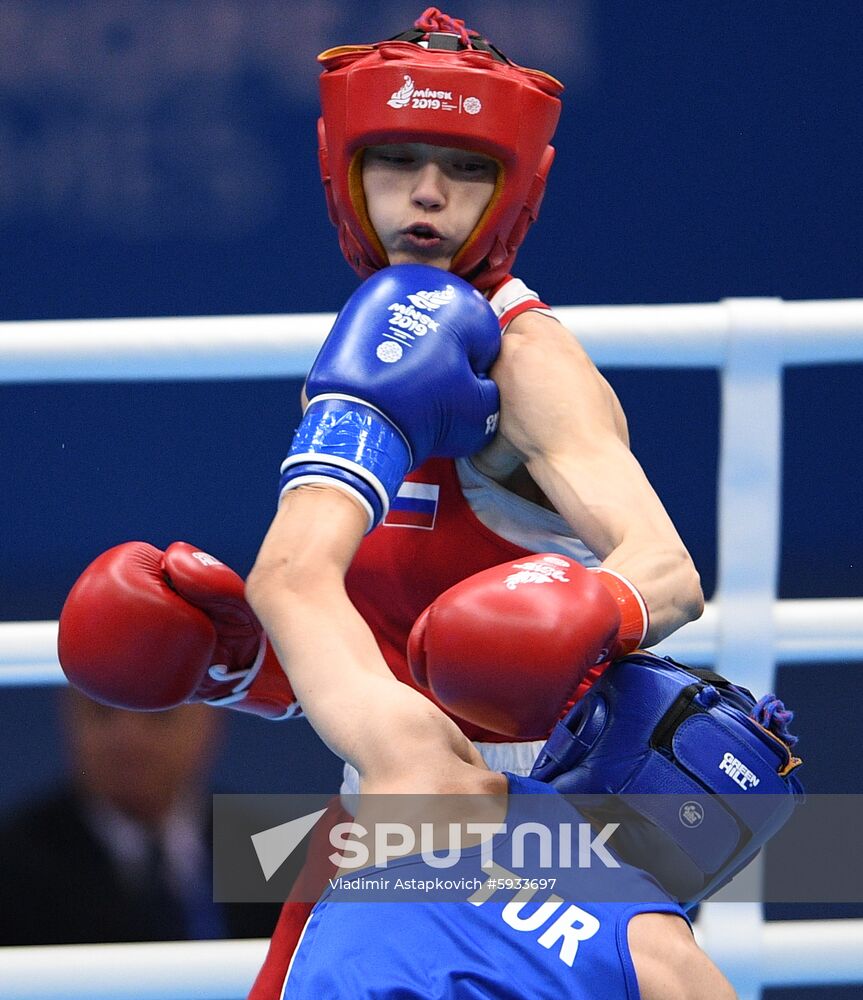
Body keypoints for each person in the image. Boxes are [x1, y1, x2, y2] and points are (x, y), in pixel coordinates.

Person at [57, 5, 705, 991]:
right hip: (378, 819)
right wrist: (236, 668)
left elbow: (664, 567)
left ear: (515, 190)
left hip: (530, 838)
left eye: (466, 169)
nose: (428, 197)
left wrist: (583, 613)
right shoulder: (369, 356)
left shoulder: (528, 363)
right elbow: (351, 632)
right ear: (345, 174)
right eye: (396, 161)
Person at [244, 474, 802, 997]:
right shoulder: (668, 963)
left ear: (589, 738)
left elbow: (291, 581)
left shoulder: (428, 781)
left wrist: (348, 437)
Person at [0, 691, 281, 945]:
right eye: (103, 709)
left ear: (211, 716)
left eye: (159, 710)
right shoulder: (12, 863)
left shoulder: (276, 845)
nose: (128, 737)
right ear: (69, 715)